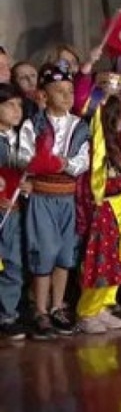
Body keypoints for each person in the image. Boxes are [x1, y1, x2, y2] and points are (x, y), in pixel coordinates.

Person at [19, 63, 90, 339]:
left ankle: (59, 304)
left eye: (70, 91)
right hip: (42, 197)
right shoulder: (33, 124)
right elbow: (26, 156)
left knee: (65, 252)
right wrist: (45, 163)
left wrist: (66, 164)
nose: (67, 97)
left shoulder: (79, 126)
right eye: (59, 92)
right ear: (44, 96)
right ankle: (40, 309)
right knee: (44, 250)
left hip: (67, 197)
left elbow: (83, 159)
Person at [75, 94, 121, 334]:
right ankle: (87, 311)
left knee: (117, 260)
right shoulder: (95, 148)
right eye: (120, 114)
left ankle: (104, 306)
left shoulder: (117, 145)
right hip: (104, 213)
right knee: (100, 263)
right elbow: (95, 183)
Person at [0, 84, 31, 341]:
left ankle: (8, 313)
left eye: (19, 105)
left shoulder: (20, 138)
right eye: (10, 105)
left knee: (13, 262)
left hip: (13, 211)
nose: (16, 110)